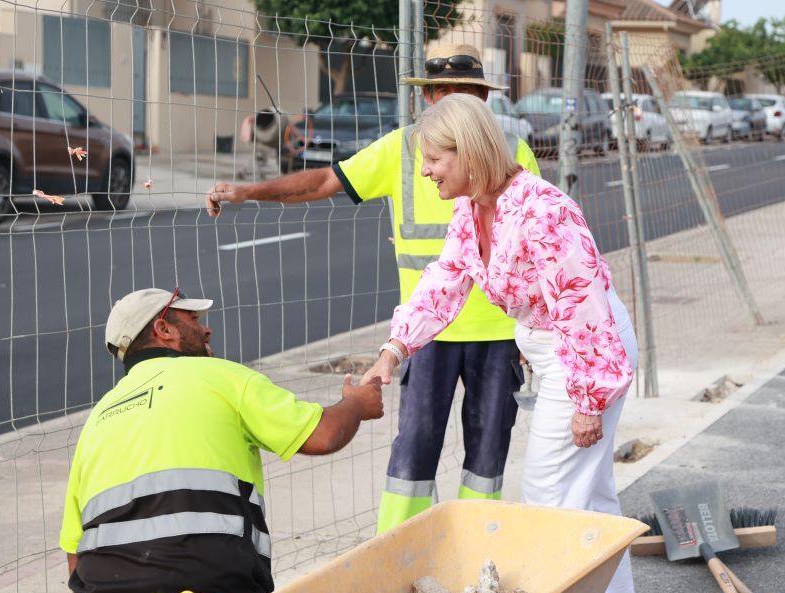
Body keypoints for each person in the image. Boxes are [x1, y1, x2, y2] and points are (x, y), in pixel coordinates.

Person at [206, 44, 542, 535]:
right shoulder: (402, 150)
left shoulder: (513, 151)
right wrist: (248, 191)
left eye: (465, 92)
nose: (452, 100)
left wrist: (536, 334)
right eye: (442, 92)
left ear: (483, 100)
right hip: (425, 334)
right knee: (414, 448)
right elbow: (326, 180)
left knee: (489, 449)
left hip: (498, 331)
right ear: (427, 98)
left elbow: (538, 249)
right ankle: (400, 546)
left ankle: (477, 542)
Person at [361, 93, 640, 593]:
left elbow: (582, 305)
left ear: (468, 151)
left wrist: (589, 398)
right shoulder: (473, 212)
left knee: (548, 498)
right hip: (558, 351)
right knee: (589, 501)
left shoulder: (542, 210)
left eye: (434, 159)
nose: (425, 171)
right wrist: (395, 347)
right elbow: (444, 282)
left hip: (582, 352)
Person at [59, 288, 383, 593]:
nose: (207, 329)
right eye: (193, 319)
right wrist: (357, 404)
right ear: (164, 329)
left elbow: (75, 549)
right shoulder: (220, 378)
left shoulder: (98, 418)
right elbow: (324, 435)